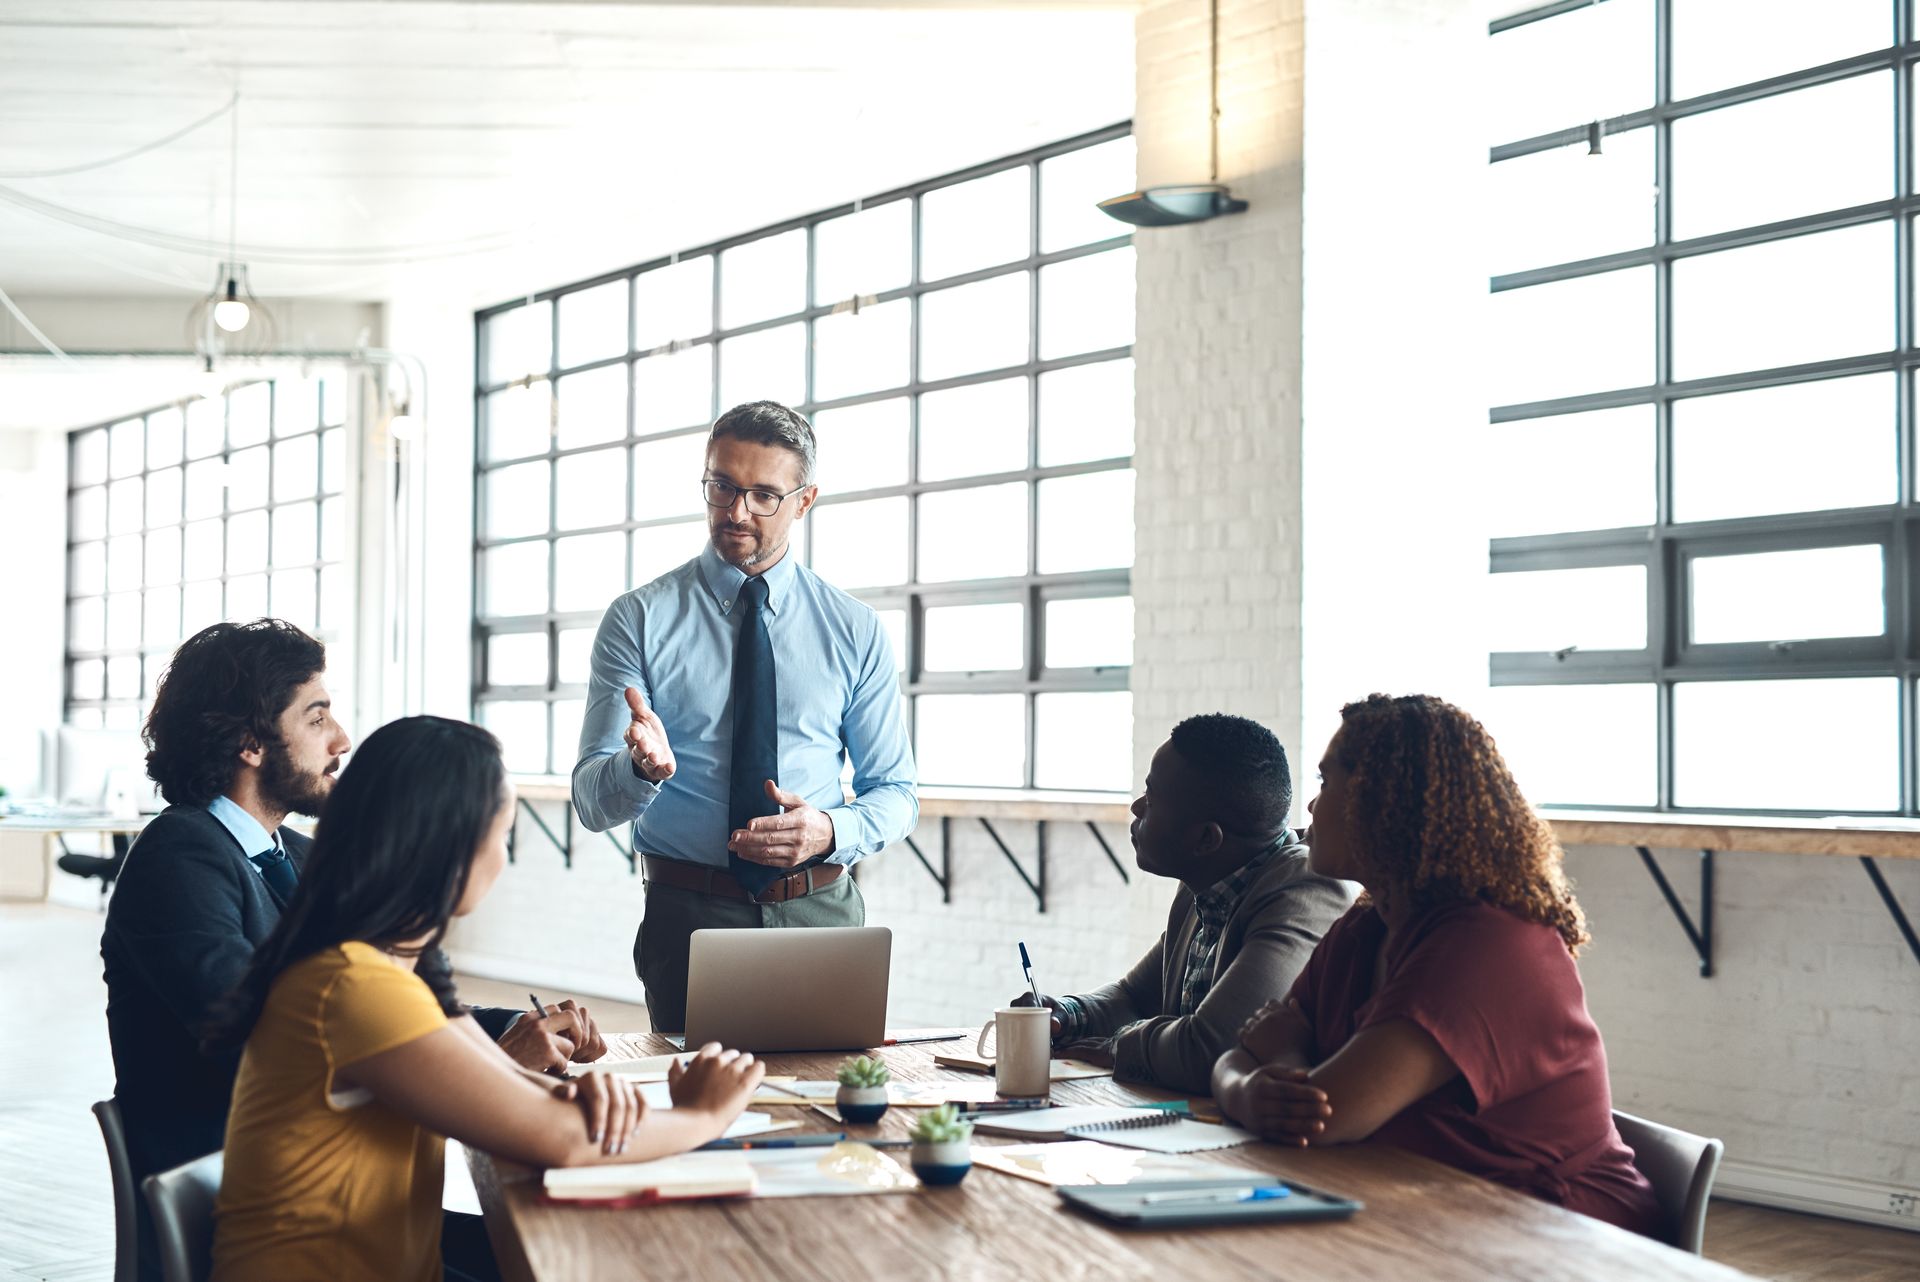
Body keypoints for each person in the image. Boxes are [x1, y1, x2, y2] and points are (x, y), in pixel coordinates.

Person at [101, 620, 606, 1279]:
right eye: (317, 718)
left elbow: (403, 997)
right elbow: (264, 1037)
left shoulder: (304, 857)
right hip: (270, 1209)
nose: (341, 741)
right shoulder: (177, 856)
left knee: (558, 1250)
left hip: (352, 1198)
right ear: (249, 742)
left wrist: (512, 1029)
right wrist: (478, 1069)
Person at [203, 716, 764, 1282]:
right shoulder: (355, 985)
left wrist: (582, 1100)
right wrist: (707, 1113)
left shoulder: (387, 967)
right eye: (503, 834)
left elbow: (520, 1090)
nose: (502, 857)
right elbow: (564, 1140)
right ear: (451, 846)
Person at [1212, 694, 1663, 1239]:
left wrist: (1277, 1062)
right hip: (1423, 1209)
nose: (1310, 806)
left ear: (1384, 803)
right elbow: (1236, 1055)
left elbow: (1326, 1114)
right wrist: (1245, 1090)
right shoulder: (1365, 927)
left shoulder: (1487, 943)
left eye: (1327, 783)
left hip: (1557, 1234)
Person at [572, 401, 917, 1032]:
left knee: (833, 1104)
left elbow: (896, 793)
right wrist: (639, 770)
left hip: (822, 912)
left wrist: (830, 832)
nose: (735, 512)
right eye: (722, 486)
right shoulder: (639, 619)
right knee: (697, 1117)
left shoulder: (854, 629)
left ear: (804, 501)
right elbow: (593, 804)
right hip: (688, 916)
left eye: (763, 495)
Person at [1009, 714, 1351, 1095]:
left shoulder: (1306, 891)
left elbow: (1213, 1047)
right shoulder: (1202, 886)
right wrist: (1068, 1015)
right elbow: (1135, 997)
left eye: (1152, 800)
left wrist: (1118, 1045)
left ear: (1206, 840)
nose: (1137, 807)